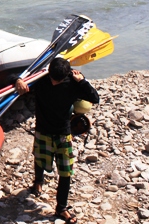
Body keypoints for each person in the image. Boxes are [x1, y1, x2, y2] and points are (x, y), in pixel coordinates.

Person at [13, 57, 99, 224]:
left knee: (66, 172)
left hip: (63, 133)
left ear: (66, 76)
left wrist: (82, 81)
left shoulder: (72, 84)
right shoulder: (41, 80)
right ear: (48, 72)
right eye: (51, 78)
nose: (53, 82)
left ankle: (61, 208)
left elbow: (95, 98)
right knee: (39, 158)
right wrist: (18, 80)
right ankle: (38, 182)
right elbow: (13, 76)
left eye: (57, 80)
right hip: (42, 130)